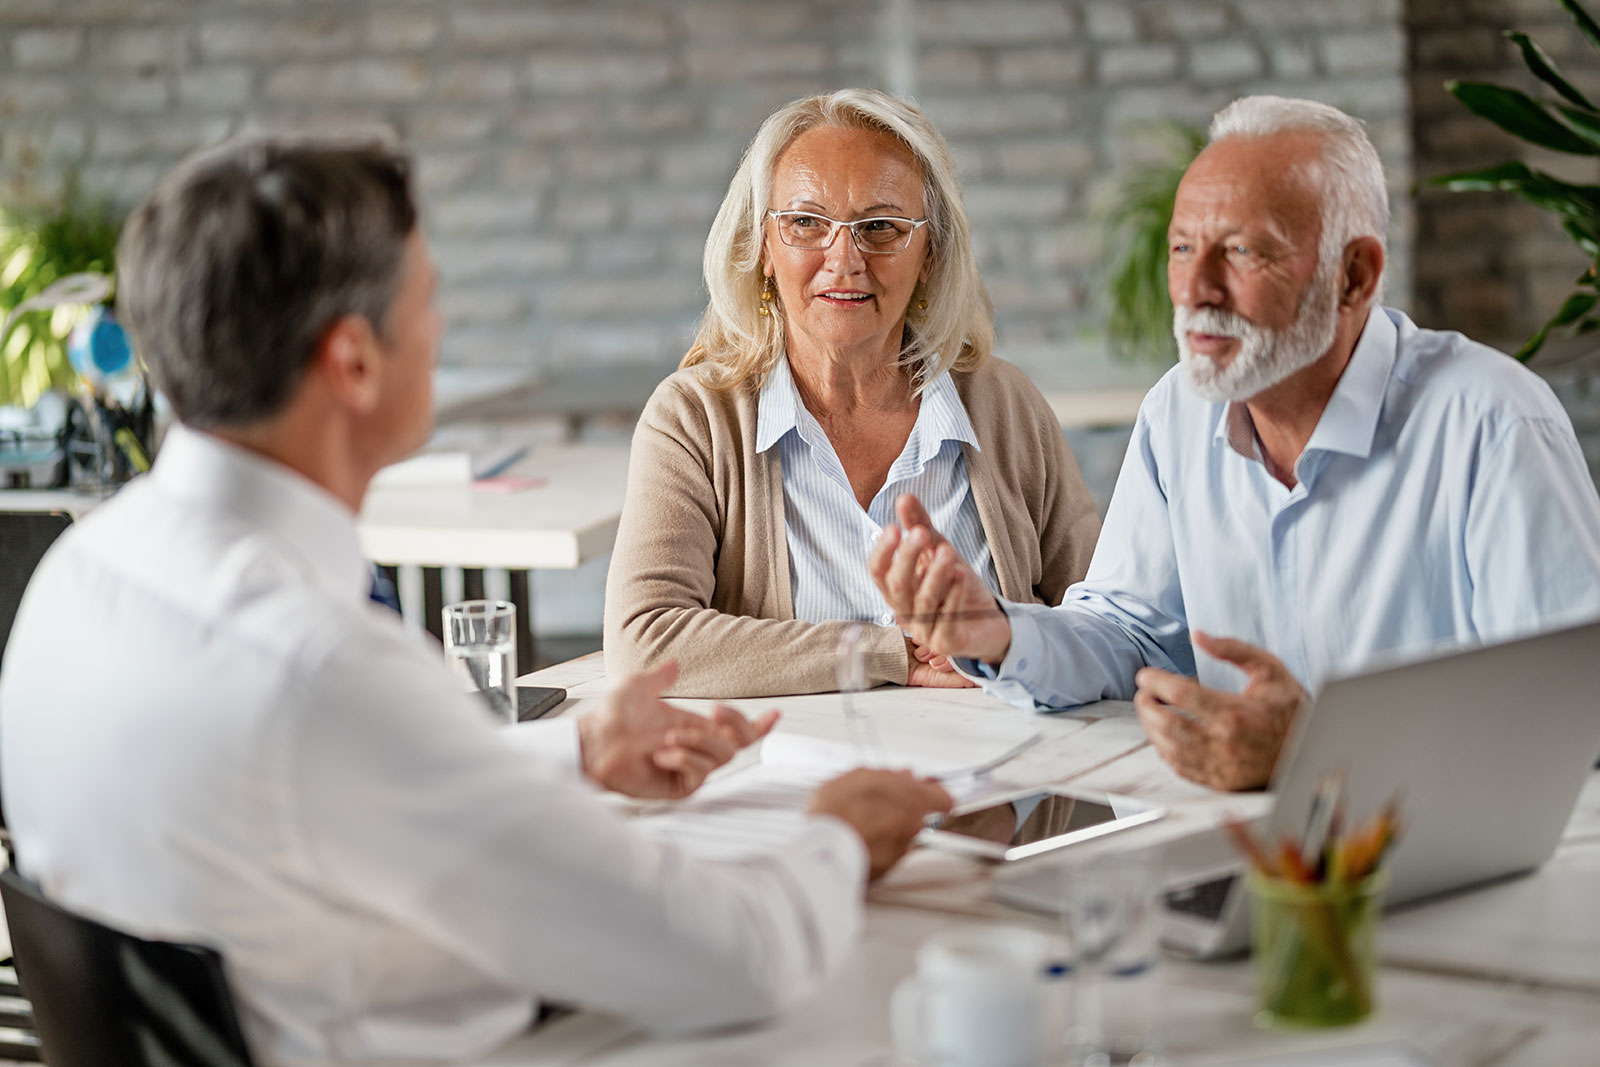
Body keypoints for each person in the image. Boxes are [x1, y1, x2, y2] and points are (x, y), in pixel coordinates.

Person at [0, 137, 952, 1067]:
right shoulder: (321, 669)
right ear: (355, 363)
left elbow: (338, 794)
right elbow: (732, 959)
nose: (442, 329)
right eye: (427, 302)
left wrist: (572, 750)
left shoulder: (79, 577)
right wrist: (838, 834)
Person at [870, 95, 1600, 792]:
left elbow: (1570, 714)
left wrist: (1319, 749)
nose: (1197, 288)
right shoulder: (1177, 413)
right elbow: (1128, 635)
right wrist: (995, 632)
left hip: (1441, 870)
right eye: (1183, 247)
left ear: (1355, 275)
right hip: (1230, 850)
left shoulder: (1492, 422)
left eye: (1244, 251)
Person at [604, 88, 1101, 699]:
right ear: (761, 247)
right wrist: (888, 653)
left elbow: (1105, 626)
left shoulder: (1005, 405)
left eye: (881, 227)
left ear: (931, 254)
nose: (844, 260)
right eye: (806, 224)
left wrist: (998, 637)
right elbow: (644, 641)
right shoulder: (694, 420)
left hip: (994, 785)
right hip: (795, 789)